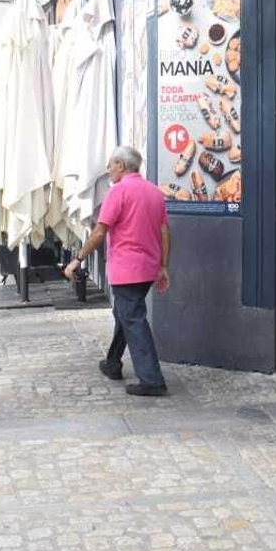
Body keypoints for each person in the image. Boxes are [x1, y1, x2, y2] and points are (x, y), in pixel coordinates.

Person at [63, 146, 170, 396]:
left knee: (133, 319)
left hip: (127, 269)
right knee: (125, 312)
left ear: (121, 165)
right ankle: (112, 363)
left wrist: (78, 259)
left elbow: (100, 231)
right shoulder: (154, 192)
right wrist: (164, 266)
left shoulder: (118, 192)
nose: (108, 168)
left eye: (111, 164)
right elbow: (165, 231)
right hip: (148, 267)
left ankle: (152, 379)